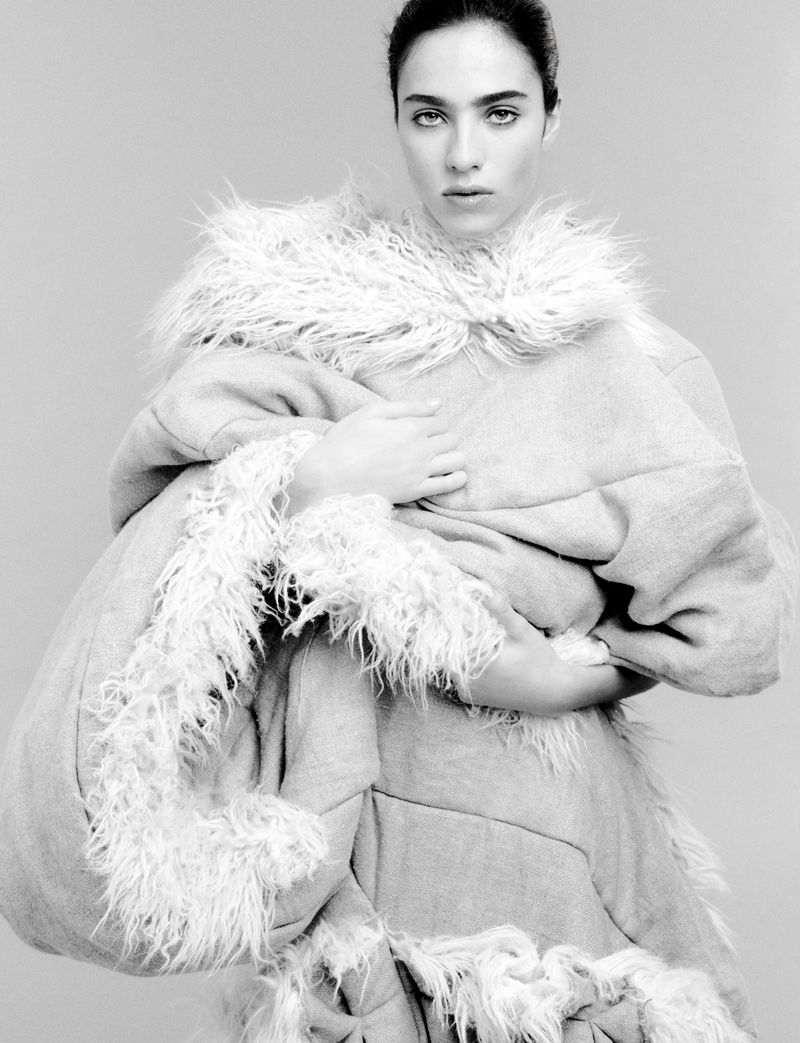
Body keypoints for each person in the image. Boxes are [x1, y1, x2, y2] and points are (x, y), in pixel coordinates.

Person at [0, 2, 796, 1041]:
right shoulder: (292, 319)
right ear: (395, 121)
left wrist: (558, 675)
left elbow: (722, 613)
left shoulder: (636, 370)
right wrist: (308, 478)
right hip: (361, 818)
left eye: (499, 113)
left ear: (550, 118)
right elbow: (169, 529)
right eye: (429, 116)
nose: (463, 155)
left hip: (549, 823)